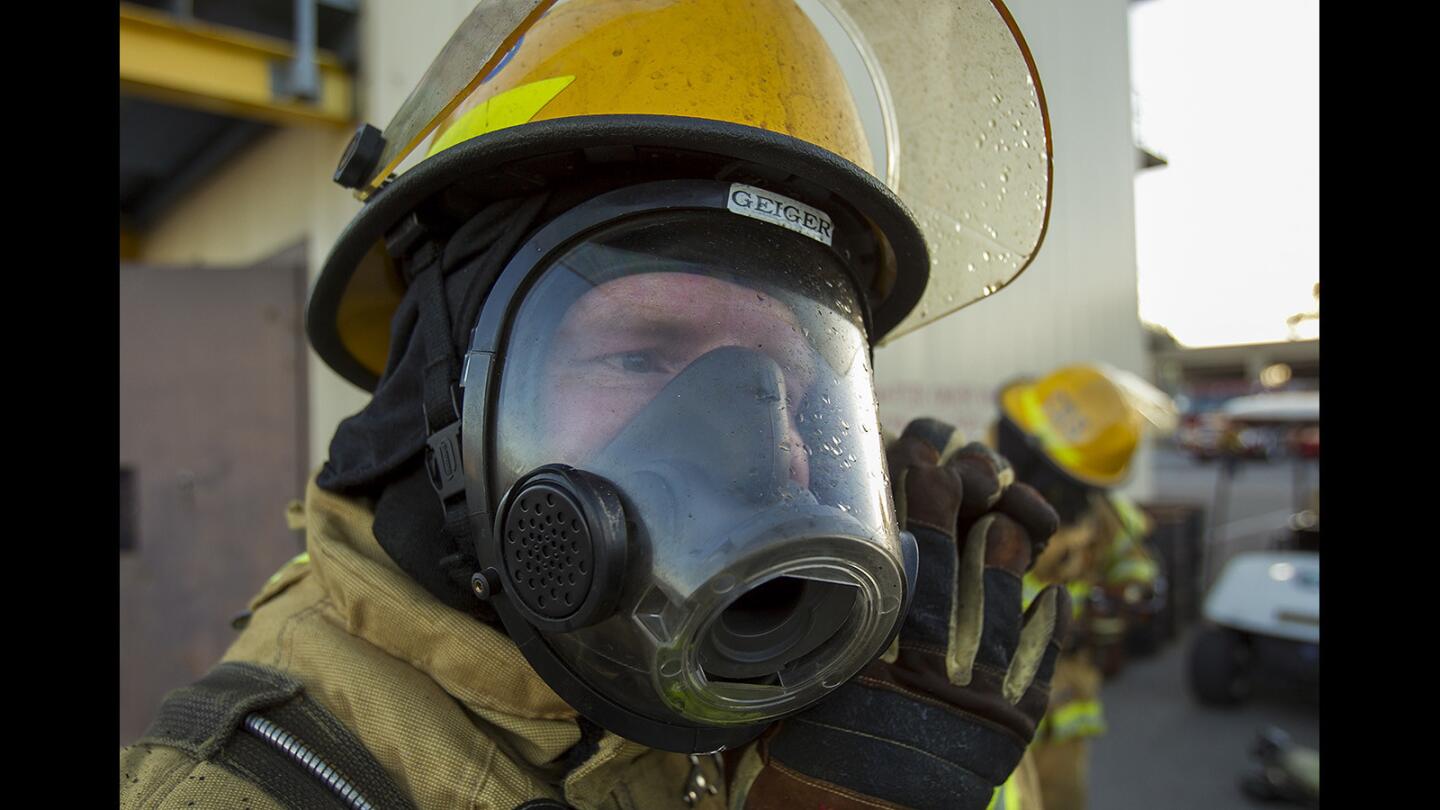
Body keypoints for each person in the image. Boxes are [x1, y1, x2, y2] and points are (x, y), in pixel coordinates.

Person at [120, 1, 1071, 807]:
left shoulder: (789, 697)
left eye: (790, 384)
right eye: (642, 354)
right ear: (442, 405)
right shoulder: (246, 784)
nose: (755, 445)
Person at [990, 364, 1177, 810]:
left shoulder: (1097, 513)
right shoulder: (977, 490)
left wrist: (1126, 598)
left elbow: (1136, 567)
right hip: (989, 698)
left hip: (1063, 709)